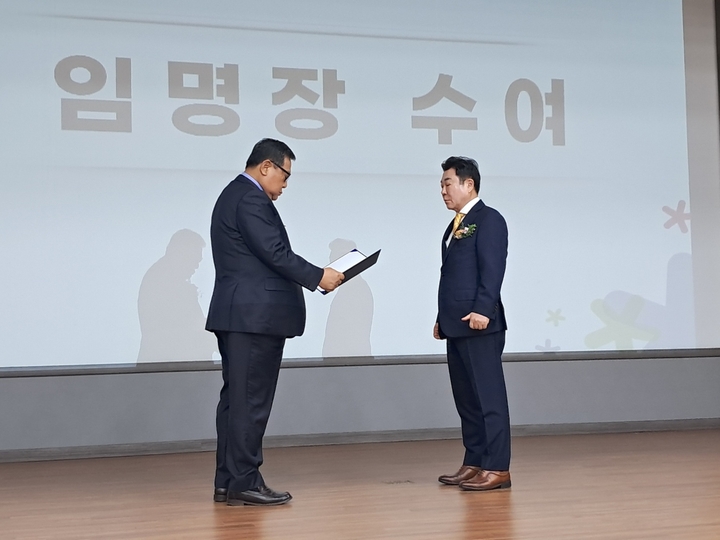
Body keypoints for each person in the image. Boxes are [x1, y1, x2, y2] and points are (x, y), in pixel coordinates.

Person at [205, 138, 344, 506]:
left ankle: (228, 480)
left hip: (241, 315)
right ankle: (245, 481)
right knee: (250, 402)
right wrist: (319, 276)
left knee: (237, 401)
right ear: (266, 166)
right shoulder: (250, 199)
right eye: (285, 175)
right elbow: (275, 252)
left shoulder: (235, 195)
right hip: (253, 317)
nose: (285, 185)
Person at [433, 156, 511, 491]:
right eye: (441, 185)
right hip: (456, 325)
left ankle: (497, 467)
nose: (443, 191)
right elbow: (453, 277)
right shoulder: (455, 225)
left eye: (448, 183)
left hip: (480, 324)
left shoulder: (489, 219)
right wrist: (442, 318)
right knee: (467, 400)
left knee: (488, 398)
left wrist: (483, 309)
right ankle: (475, 461)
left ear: (469, 184)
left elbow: (492, 269)